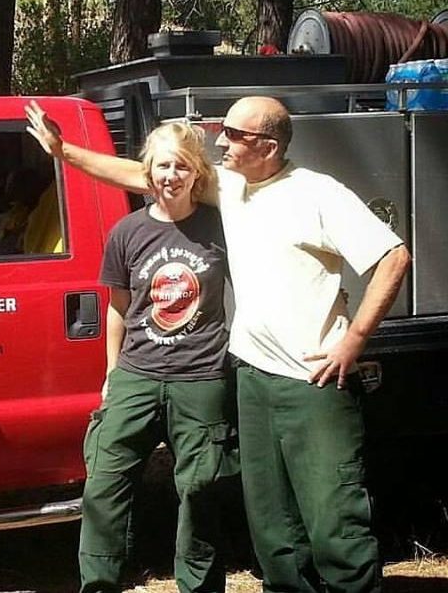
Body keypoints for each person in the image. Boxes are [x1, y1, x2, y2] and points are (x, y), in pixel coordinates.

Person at [26, 96, 411, 593]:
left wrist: (354, 339)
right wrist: (64, 152)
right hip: (250, 376)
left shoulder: (317, 193)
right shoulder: (231, 188)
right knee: (273, 531)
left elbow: (393, 257)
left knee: (334, 522)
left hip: (312, 383)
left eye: (232, 133)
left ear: (267, 146)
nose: (220, 140)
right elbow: (140, 173)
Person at [78, 121, 238, 593]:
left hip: (201, 378)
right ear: (148, 172)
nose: (171, 175)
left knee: (200, 492)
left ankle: (199, 585)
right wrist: (112, 373)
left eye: (181, 166)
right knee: (104, 485)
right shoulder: (127, 231)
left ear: (197, 174)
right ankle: (99, 583)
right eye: (163, 165)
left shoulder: (221, 228)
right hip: (136, 375)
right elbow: (118, 309)